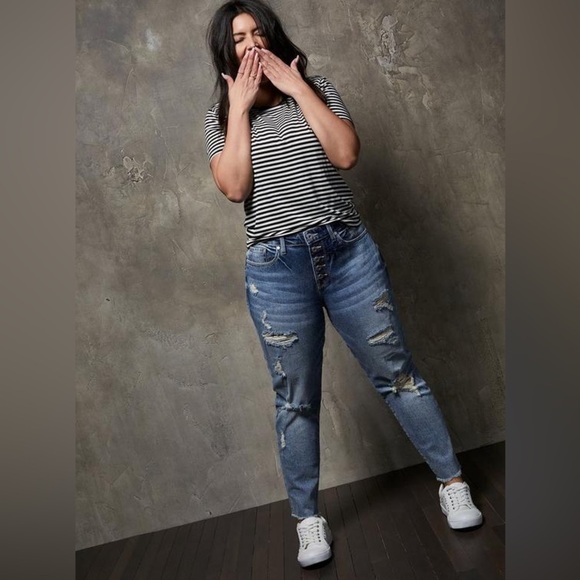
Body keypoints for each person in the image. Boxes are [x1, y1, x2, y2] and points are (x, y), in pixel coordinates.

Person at [204, 0, 482, 568]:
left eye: (258, 32)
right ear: (226, 52)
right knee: (295, 399)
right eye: (239, 38)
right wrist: (239, 108)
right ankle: (308, 520)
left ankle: (452, 483)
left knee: (397, 374)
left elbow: (347, 154)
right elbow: (234, 188)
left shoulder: (317, 88)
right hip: (277, 269)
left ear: (273, 37)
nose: (252, 44)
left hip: (347, 251)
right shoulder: (222, 117)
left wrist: (297, 87)